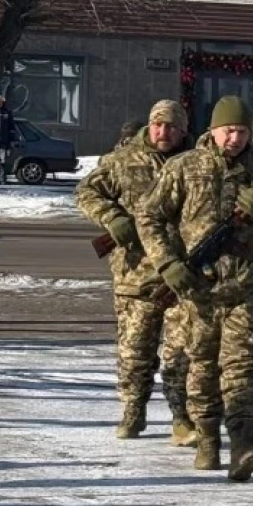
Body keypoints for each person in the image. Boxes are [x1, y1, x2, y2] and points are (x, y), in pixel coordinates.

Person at [135, 95, 253, 481]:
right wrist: (168, 263)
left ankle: (243, 444)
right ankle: (207, 438)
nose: (235, 139)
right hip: (198, 289)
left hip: (246, 287)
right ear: (213, 130)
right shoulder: (185, 166)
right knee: (202, 365)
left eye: (242, 131)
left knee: (241, 367)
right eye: (229, 131)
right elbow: (148, 215)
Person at [76, 99, 193, 443]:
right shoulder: (122, 161)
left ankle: (181, 418)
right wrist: (111, 218)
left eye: (171, 126)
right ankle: (133, 410)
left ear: (183, 130)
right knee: (135, 352)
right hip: (136, 275)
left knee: (181, 354)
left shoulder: (196, 163)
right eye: (158, 125)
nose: (163, 132)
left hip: (182, 274)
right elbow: (85, 192)